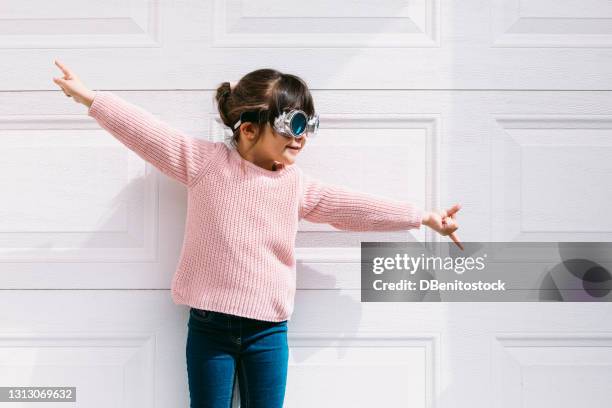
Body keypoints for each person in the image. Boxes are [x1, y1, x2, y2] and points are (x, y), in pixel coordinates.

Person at [52, 59, 462, 407]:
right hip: (209, 327)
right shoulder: (205, 163)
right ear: (248, 130)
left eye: (310, 123)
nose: (302, 136)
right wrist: (91, 98)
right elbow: (144, 132)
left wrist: (421, 216)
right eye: (293, 123)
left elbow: (352, 208)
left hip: (268, 331)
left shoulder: (295, 185)